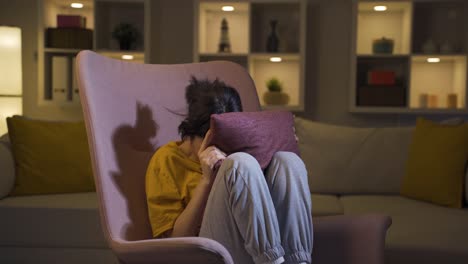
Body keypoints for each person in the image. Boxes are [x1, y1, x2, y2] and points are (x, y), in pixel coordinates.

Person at [145, 77, 313, 264]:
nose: (223, 151)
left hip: (254, 248)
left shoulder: (241, 149)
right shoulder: (167, 160)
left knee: (288, 161)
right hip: (206, 253)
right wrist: (207, 181)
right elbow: (174, 241)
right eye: (214, 142)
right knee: (239, 162)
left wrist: (280, 145)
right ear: (191, 132)